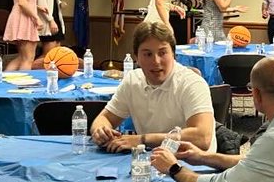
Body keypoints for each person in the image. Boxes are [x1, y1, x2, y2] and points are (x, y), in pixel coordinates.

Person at [90, 22, 215, 153]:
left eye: (162, 53)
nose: (156, 61)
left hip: (193, 165)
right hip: (150, 160)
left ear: (173, 54)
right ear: (136, 58)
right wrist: (101, 130)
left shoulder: (192, 83)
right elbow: (105, 118)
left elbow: (203, 138)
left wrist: (143, 139)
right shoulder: (132, 80)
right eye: (147, 54)